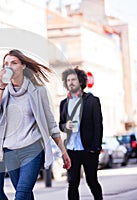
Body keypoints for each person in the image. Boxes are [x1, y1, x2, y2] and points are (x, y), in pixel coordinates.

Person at [0, 49, 71, 200]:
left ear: (23, 66)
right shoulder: (2, 92)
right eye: (6, 64)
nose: (9, 66)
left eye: (14, 63)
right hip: (10, 151)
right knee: (26, 195)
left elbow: (50, 123)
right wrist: (0, 87)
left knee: (21, 193)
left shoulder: (38, 91)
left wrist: (63, 151)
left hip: (32, 149)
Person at [59, 67, 103, 200]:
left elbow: (98, 126)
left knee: (92, 181)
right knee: (72, 183)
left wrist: (95, 148)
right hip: (71, 150)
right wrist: (65, 125)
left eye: (74, 79)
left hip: (88, 149)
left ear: (81, 82)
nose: (71, 82)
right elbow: (60, 124)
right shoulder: (63, 103)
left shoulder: (92, 101)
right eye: (68, 80)